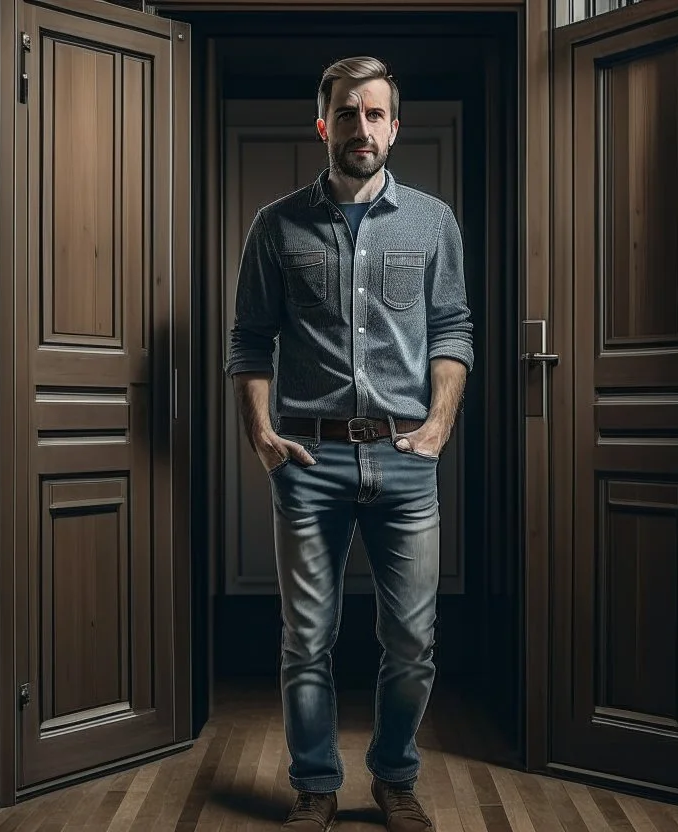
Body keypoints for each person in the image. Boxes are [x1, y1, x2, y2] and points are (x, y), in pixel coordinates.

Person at [224, 55, 472, 832]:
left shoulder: (433, 222)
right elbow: (249, 339)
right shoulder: (276, 225)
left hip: (406, 460)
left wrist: (437, 426)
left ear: (395, 128)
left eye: (376, 114)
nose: (361, 128)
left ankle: (396, 780)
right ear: (322, 123)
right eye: (347, 113)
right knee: (307, 639)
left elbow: (453, 329)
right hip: (308, 461)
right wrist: (261, 434)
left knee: (413, 641)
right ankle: (315, 787)